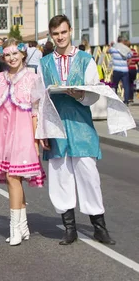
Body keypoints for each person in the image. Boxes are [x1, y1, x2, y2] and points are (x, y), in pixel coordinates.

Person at [38, 15, 115, 246]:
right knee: (61, 176)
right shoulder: (44, 63)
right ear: (51, 36)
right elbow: (40, 98)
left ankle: (99, 226)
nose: (60, 37)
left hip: (81, 124)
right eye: (55, 34)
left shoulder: (85, 59)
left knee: (89, 176)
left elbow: (94, 90)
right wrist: (41, 130)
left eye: (63, 32)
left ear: (70, 30)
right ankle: (69, 228)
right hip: (56, 123)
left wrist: (81, 95)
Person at [0, 39, 45, 246]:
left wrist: (36, 140)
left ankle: (15, 228)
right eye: (7, 55)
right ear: (3, 57)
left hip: (22, 133)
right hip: (2, 133)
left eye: (15, 54)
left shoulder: (32, 78)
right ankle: (23, 226)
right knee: (15, 179)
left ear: (22, 55)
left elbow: (36, 112)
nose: (11, 58)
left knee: (13, 177)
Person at [108, 36, 133, 105]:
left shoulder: (114, 48)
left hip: (116, 69)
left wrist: (111, 45)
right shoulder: (125, 49)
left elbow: (108, 51)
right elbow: (130, 55)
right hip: (125, 70)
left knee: (115, 85)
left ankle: (115, 99)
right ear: (123, 41)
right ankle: (126, 100)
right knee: (126, 86)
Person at [126, 40, 139, 104]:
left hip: (126, 69)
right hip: (133, 69)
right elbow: (137, 59)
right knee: (131, 83)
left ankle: (127, 97)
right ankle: (131, 97)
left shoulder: (124, 51)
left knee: (126, 83)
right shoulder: (133, 51)